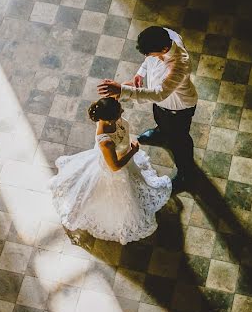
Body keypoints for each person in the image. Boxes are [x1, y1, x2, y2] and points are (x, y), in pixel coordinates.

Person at [48, 97, 172, 245]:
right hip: (116, 169)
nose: (123, 110)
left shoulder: (108, 113)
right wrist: (132, 152)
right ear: (109, 119)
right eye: (120, 110)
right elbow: (114, 167)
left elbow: (114, 98)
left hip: (125, 155)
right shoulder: (106, 141)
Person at [97, 26, 198, 191]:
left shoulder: (180, 64)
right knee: (160, 118)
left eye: (151, 54)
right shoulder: (165, 36)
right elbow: (149, 59)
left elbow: (159, 94)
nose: (148, 57)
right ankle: (161, 133)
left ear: (164, 49)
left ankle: (187, 172)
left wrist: (122, 90)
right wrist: (140, 73)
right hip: (162, 107)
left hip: (177, 108)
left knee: (180, 141)